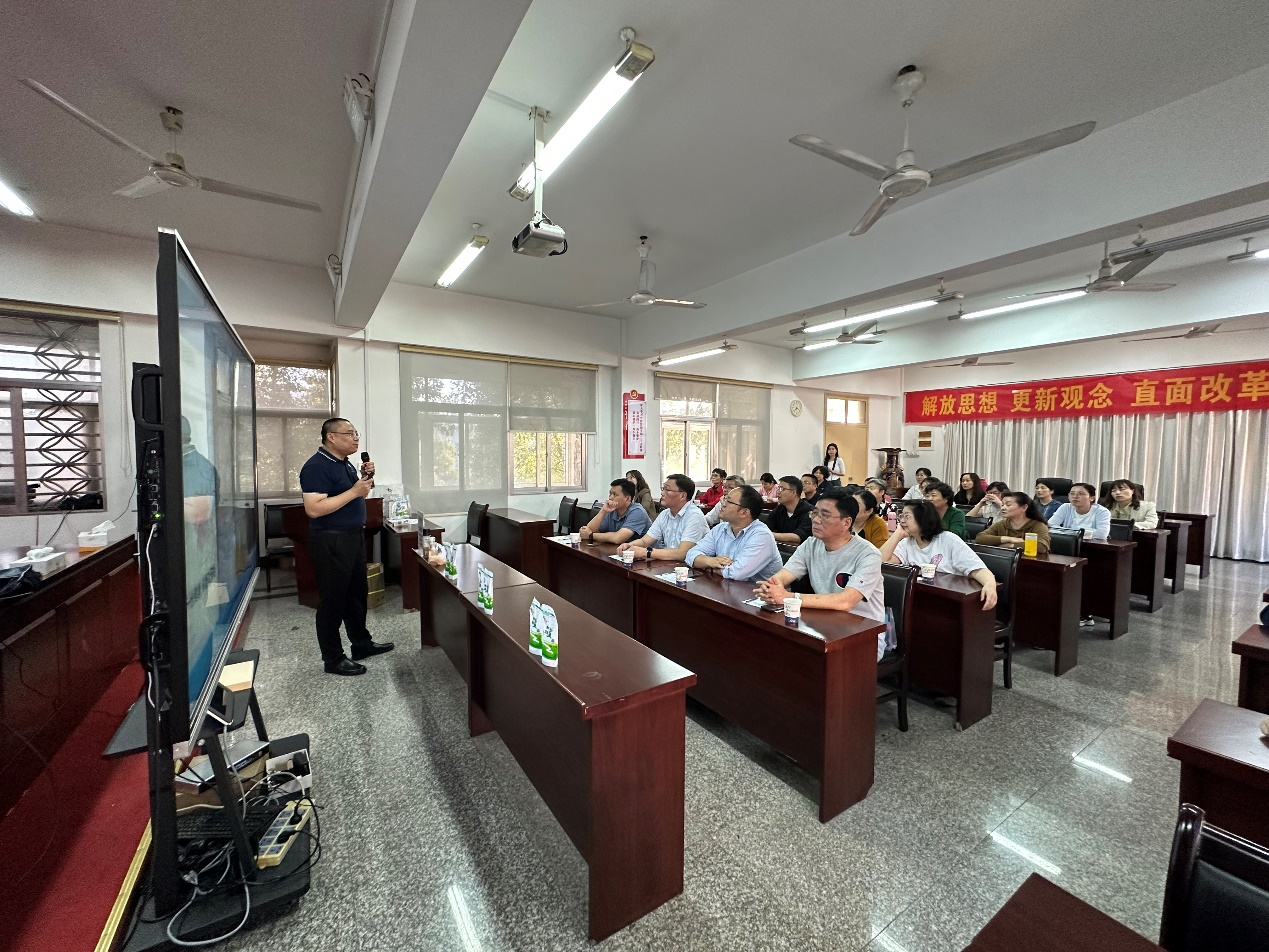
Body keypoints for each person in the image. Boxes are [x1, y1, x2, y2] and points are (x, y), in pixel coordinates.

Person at [299, 418, 394, 676]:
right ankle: (333, 659)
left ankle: (361, 644)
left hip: (352, 537)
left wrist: (365, 479)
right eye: (350, 433)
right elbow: (314, 509)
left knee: (356, 594)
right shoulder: (316, 466)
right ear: (331, 437)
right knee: (333, 600)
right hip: (331, 540)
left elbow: (358, 493)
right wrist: (354, 491)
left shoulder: (345, 463)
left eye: (356, 433)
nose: (356, 438)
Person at [754, 489, 888, 660]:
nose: (816, 520)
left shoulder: (868, 554)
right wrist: (771, 588)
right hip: (824, 625)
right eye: (815, 513)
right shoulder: (811, 544)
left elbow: (845, 601)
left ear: (846, 522)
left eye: (825, 515)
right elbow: (782, 576)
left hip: (862, 635)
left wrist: (788, 597)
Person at [878, 500, 998, 612]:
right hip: (919, 598)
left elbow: (977, 569)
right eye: (901, 516)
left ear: (922, 519)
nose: (902, 520)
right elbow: (882, 562)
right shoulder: (907, 542)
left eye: (907, 516)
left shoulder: (948, 540)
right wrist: (898, 534)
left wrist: (990, 584)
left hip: (950, 601)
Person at [686, 485, 784, 582]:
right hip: (726, 586)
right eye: (725, 499)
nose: (722, 504)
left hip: (759, 590)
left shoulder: (761, 536)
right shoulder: (720, 528)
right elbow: (690, 555)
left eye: (728, 501)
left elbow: (737, 573)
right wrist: (710, 561)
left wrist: (708, 568)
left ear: (744, 512)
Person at [619, 473, 709, 562]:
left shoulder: (694, 516)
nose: (662, 493)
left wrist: (646, 552)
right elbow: (645, 541)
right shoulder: (664, 514)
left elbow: (683, 553)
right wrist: (630, 545)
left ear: (682, 495)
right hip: (670, 563)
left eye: (667, 489)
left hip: (691, 568)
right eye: (663, 489)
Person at [974, 492, 1052, 554]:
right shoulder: (1002, 524)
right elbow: (980, 538)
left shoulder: (1038, 526)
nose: (1003, 508)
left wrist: (1010, 545)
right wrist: (1009, 539)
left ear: (1024, 507)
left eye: (1008, 505)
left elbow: (1042, 547)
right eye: (1003, 505)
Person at [580, 478, 653, 544]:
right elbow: (588, 530)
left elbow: (618, 538)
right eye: (610, 494)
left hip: (645, 553)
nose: (610, 497)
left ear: (627, 499)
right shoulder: (612, 510)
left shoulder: (637, 512)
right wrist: (603, 511)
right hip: (619, 550)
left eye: (615, 494)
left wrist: (591, 535)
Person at [768, 475, 814, 545]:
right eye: (778, 488)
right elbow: (767, 526)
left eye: (782, 489)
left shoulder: (809, 511)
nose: (778, 492)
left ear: (793, 492)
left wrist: (768, 534)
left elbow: (798, 537)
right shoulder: (780, 508)